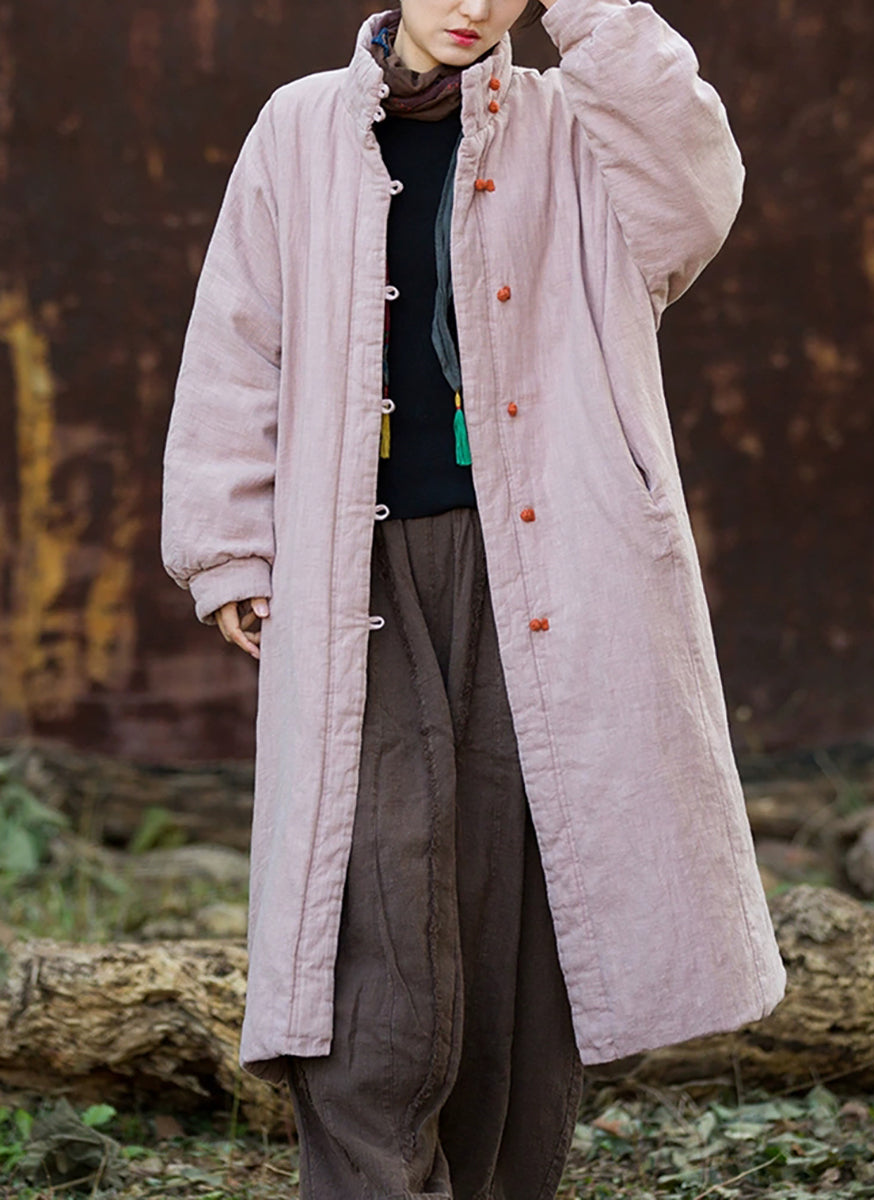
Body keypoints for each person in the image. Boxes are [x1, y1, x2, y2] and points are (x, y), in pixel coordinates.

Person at [160, 0, 787, 1195]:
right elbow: (241, 336)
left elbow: (694, 200)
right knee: (365, 900)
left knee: (515, 907)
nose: (471, 7)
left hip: (545, 573)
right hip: (354, 571)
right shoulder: (297, 126)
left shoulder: (580, 125)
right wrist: (228, 545)